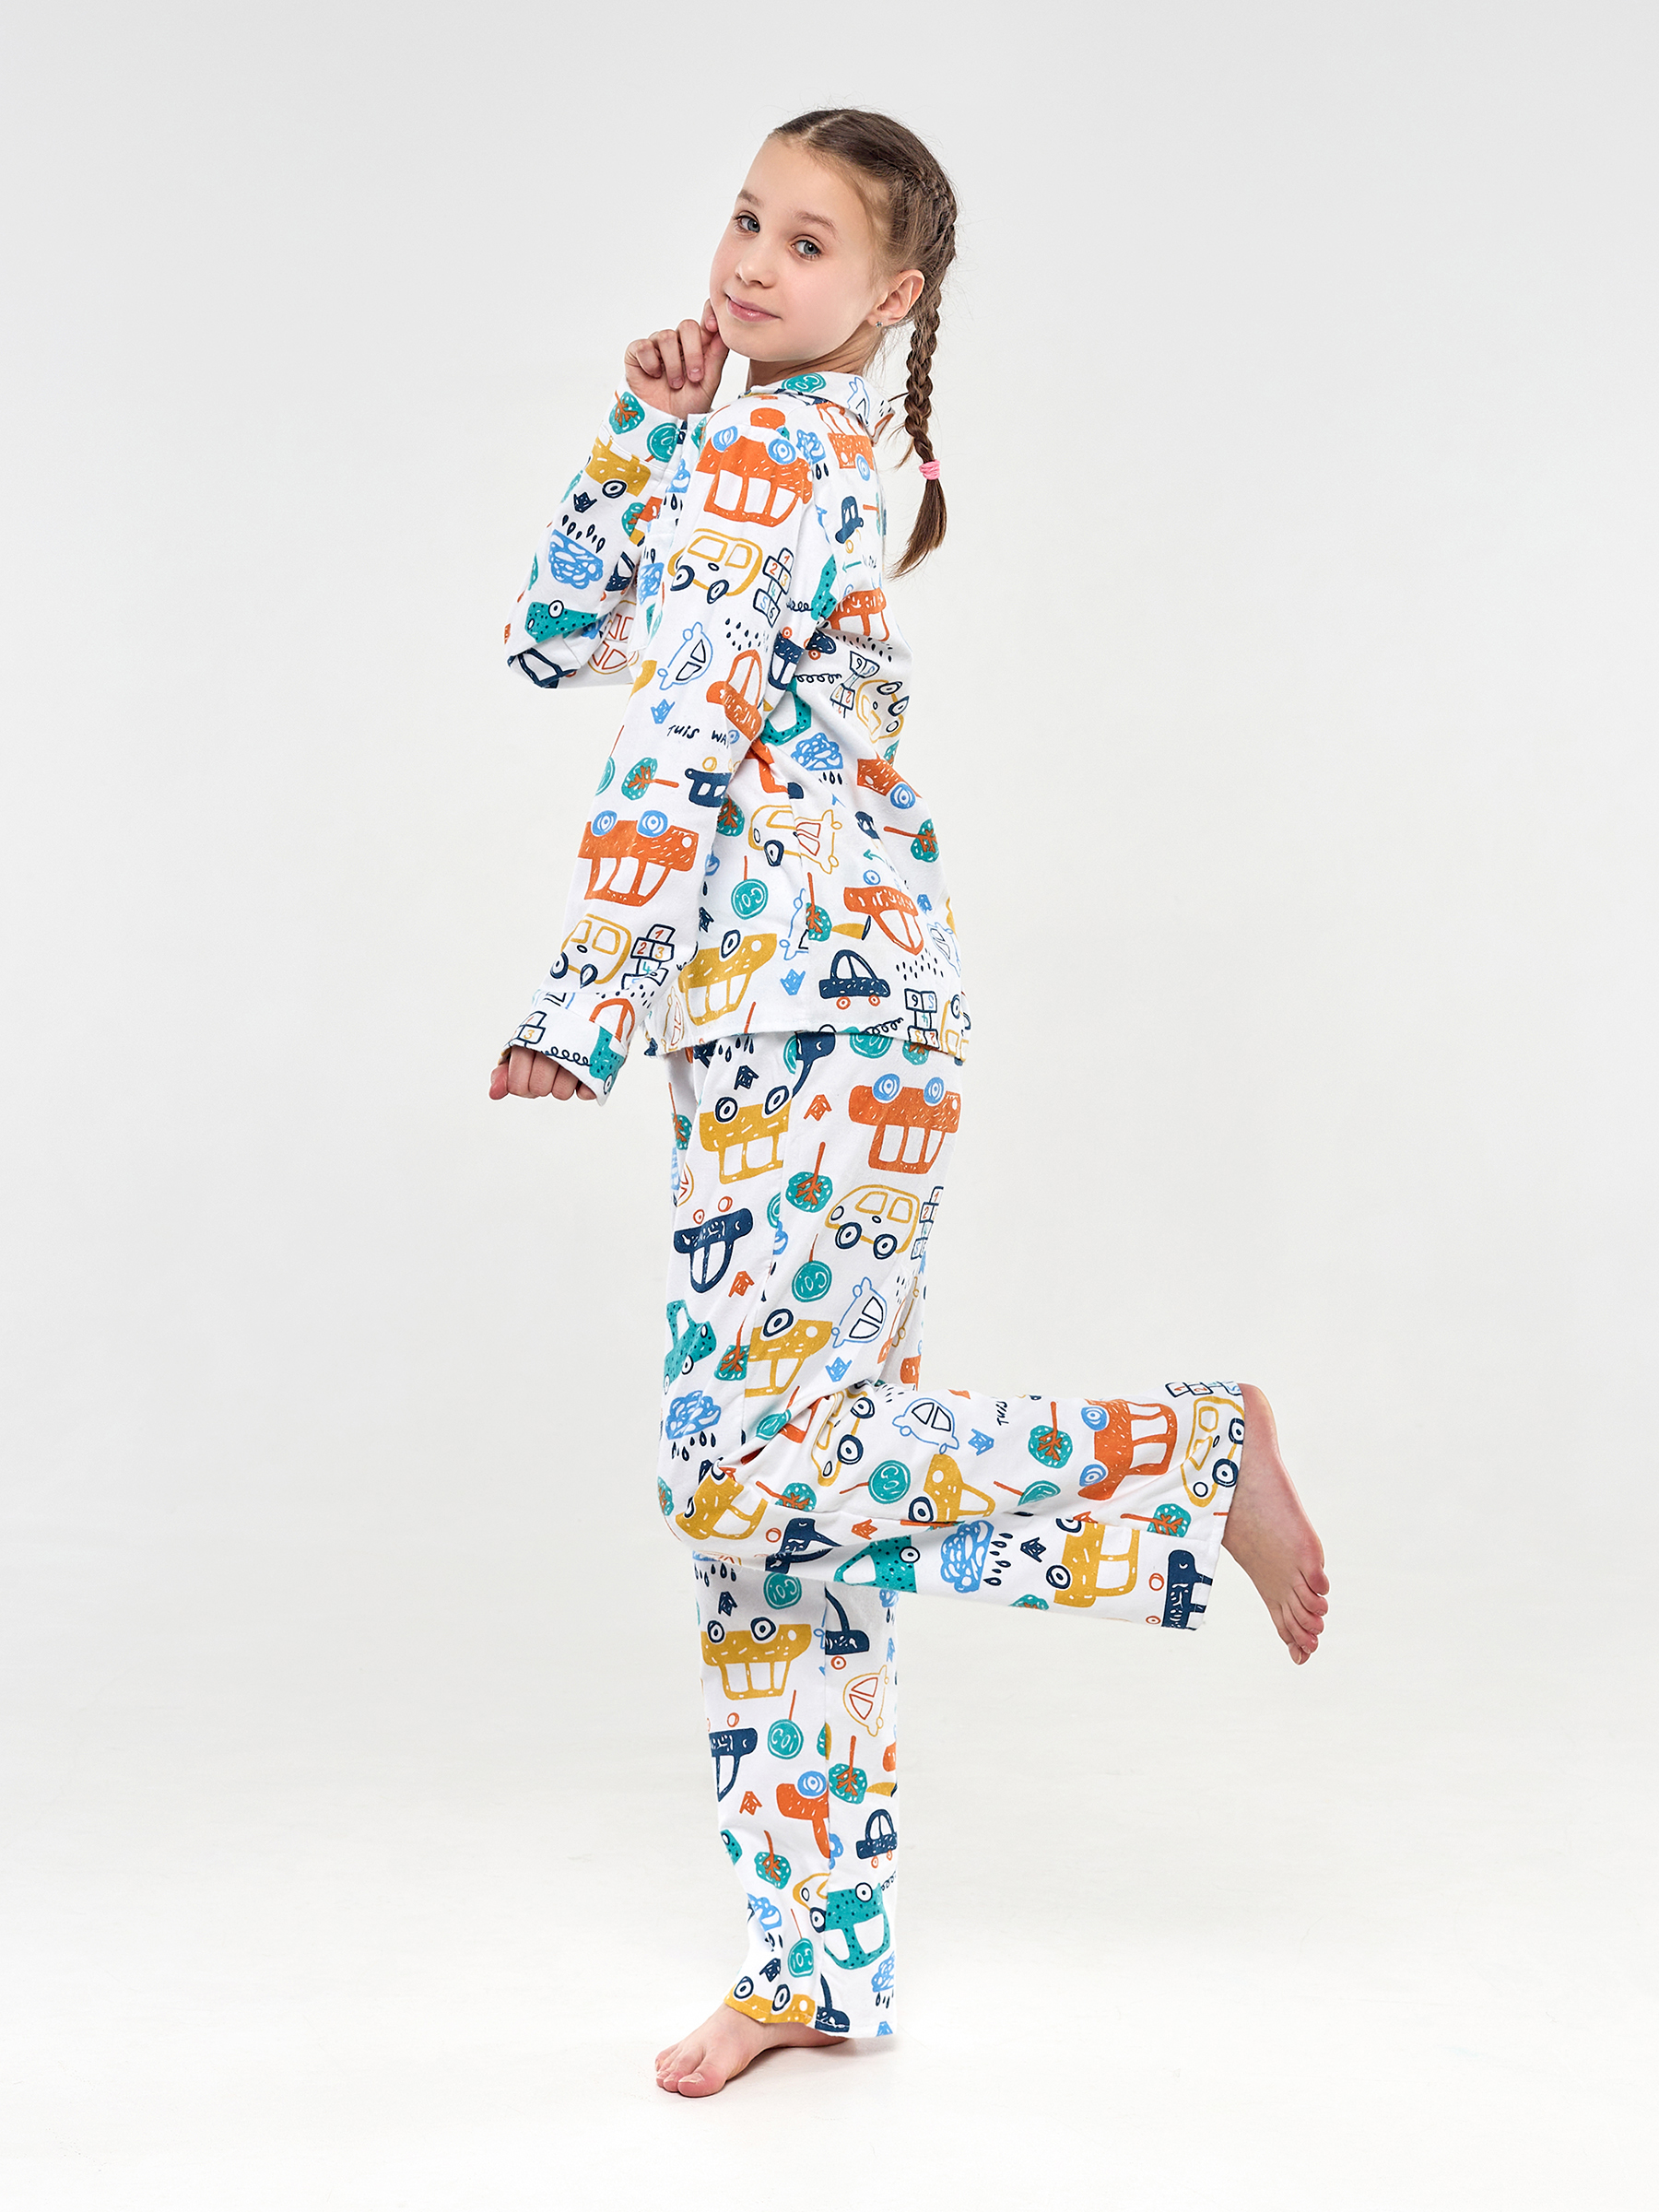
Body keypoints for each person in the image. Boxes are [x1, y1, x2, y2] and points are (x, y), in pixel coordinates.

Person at [488, 108, 1329, 2098]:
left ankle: (1186, 1453)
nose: (752, 263)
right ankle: (815, 1963)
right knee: (778, 1533)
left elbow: (680, 721)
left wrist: (585, 996)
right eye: (744, 220)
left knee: (738, 1474)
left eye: (809, 244)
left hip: (815, 1020)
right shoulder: (775, 443)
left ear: (894, 295)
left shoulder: (788, 450)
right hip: (786, 1017)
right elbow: (551, 639)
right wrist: (637, 426)